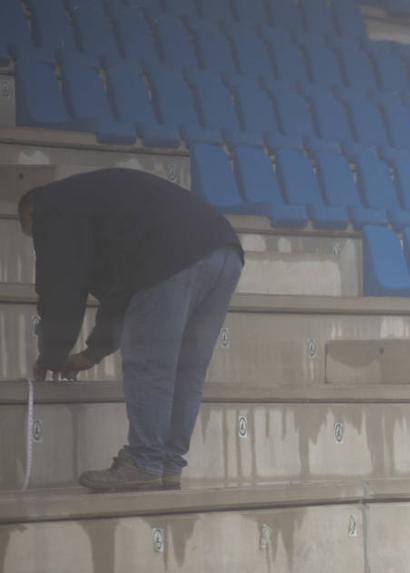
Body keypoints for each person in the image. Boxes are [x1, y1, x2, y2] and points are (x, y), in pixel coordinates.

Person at [20, 168, 244, 492]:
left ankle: (145, 462)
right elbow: (120, 292)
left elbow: (61, 286)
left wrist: (51, 354)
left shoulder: (52, 208)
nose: (40, 241)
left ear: (29, 215)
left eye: (33, 235)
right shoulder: (98, 206)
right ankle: (168, 464)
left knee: (149, 363)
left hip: (172, 254)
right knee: (185, 371)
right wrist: (91, 354)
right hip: (223, 251)